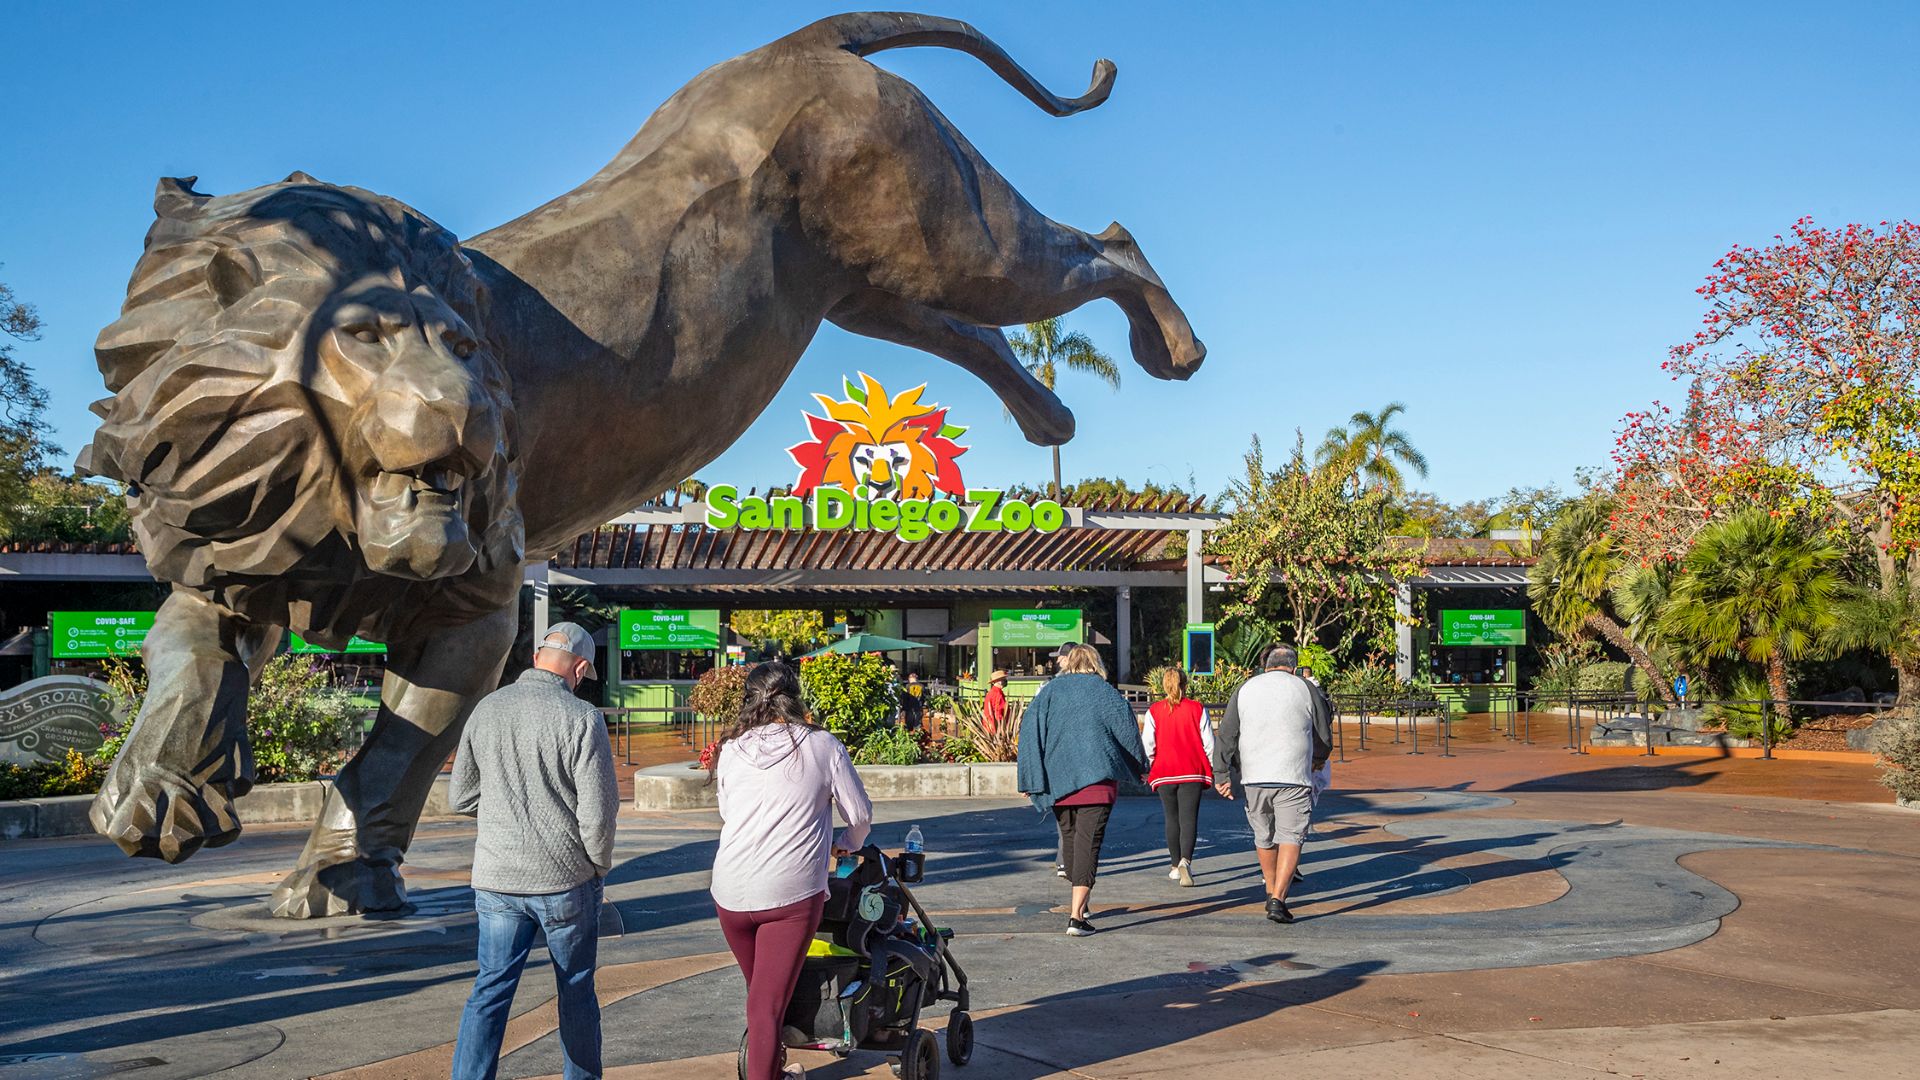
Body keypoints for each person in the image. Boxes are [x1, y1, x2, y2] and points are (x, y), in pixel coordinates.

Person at [450, 622, 618, 1080]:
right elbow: (598, 813)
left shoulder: (487, 709)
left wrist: (506, 813)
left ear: (537, 658)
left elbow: (460, 797)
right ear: (579, 668)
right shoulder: (581, 717)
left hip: (497, 878)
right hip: (565, 880)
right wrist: (598, 867)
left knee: (490, 990)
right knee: (576, 989)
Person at [710, 661, 873, 1080]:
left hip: (729, 892)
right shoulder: (822, 745)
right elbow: (859, 814)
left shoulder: (731, 748)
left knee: (762, 995)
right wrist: (846, 844)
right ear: (795, 696)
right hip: (791, 894)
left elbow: (729, 811)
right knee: (766, 1004)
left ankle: (775, 1063)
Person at [1016, 642, 1146, 937]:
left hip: (1058, 782)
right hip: (1097, 784)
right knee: (1089, 844)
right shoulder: (1106, 693)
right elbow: (1127, 731)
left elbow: (1030, 733)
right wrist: (1140, 766)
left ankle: (1080, 900)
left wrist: (1030, 778)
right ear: (1096, 663)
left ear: (1068, 662)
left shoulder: (1049, 692)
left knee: (1072, 841)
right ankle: (1077, 916)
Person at [1209, 644, 1332, 926]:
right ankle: (1278, 898)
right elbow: (1323, 732)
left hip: (1254, 775)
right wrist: (1318, 760)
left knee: (1263, 835)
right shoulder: (1305, 688)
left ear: (1267, 665)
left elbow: (1226, 734)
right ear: (1293, 666)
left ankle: (1268, 888)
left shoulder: (1246, 688)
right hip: (1293, 775)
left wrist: (1222, 774)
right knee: (1291, 835)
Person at [1142, 666, 1214, 887]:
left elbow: (1148, 744)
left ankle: (1174, 866)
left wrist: (1153, 765)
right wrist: (1211, 766)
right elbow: (1209, 742)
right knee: (1189, 818)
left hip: (1164, 771)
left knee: (1171, 818)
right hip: (1192, 770)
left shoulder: (1154, 710)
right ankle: (1186, 861)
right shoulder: (1197, 708)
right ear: (1185, 684)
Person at [982, 669, 1010, 736]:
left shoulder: (992, 692)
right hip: (995, 729)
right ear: (999, 681)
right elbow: (999, 713)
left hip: (989, 726)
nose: (1005, 681)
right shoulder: (998, 694)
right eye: (1003, 679)